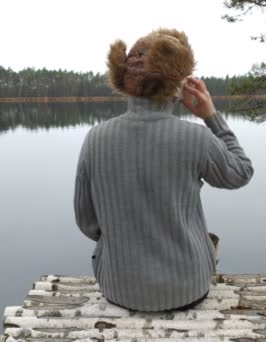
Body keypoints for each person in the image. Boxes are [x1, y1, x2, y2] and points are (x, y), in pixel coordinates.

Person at [74, 28, 254, 312]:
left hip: (119, 289)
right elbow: (241, 173)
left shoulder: (95, 137)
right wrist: (211, 117)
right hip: (188, 289)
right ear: (179, 84)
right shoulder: (196, 138)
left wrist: (126, 238)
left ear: (123, 79)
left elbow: (86, 222)